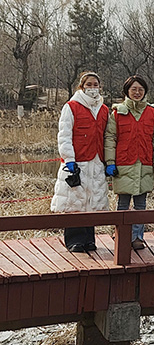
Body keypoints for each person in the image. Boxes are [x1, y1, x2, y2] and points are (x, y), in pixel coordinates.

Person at [52, 72, 110, 253]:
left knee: (92, 200)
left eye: (95, 84)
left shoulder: (103, 109)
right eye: (89, 84)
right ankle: (74, 240)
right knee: (74, 201)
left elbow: (107, 136)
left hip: (96, 160)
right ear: (82, 86)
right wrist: (69, 159)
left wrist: (108, 160)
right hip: (77, 162)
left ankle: (88, 239)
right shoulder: (71, 106)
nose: (92, 87)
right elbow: (64, 135)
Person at [104, 75, 154, 251]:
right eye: (133, 89)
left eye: (140, 89)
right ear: (127, 91)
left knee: (140, 204)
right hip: (124, 162)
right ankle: (122, 235)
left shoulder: (152, 113)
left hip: (144, 162)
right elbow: (110, 138)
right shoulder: (117, 113)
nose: (137, 92)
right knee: (123, 203)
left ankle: (137, 237)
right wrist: (110, 161)